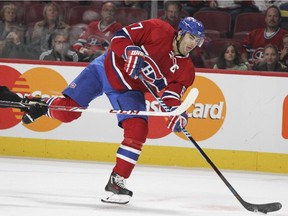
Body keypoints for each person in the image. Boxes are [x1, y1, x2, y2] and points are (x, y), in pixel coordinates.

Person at [27, 17, 205, 204]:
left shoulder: (186, 71)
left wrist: (176, 113)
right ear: (180, 33)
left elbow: (170, 97)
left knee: (138, 129)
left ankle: (117, 180)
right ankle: (41, 105)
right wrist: (129, 50)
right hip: (105, 68)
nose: (193, 43)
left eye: (197, 40)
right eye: (191, 37)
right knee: (67, 112)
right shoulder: (157, 28)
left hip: (128, 90)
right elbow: (119, 38)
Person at [241, 5, 288, 69]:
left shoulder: (285, 36)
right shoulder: (254, 34)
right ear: (265, 19)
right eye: (269, 16)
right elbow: (243, 51)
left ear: (280, 19)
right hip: (252, 70)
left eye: (275, 16)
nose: (272, 19)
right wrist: (247, 64)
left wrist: (266, 61)